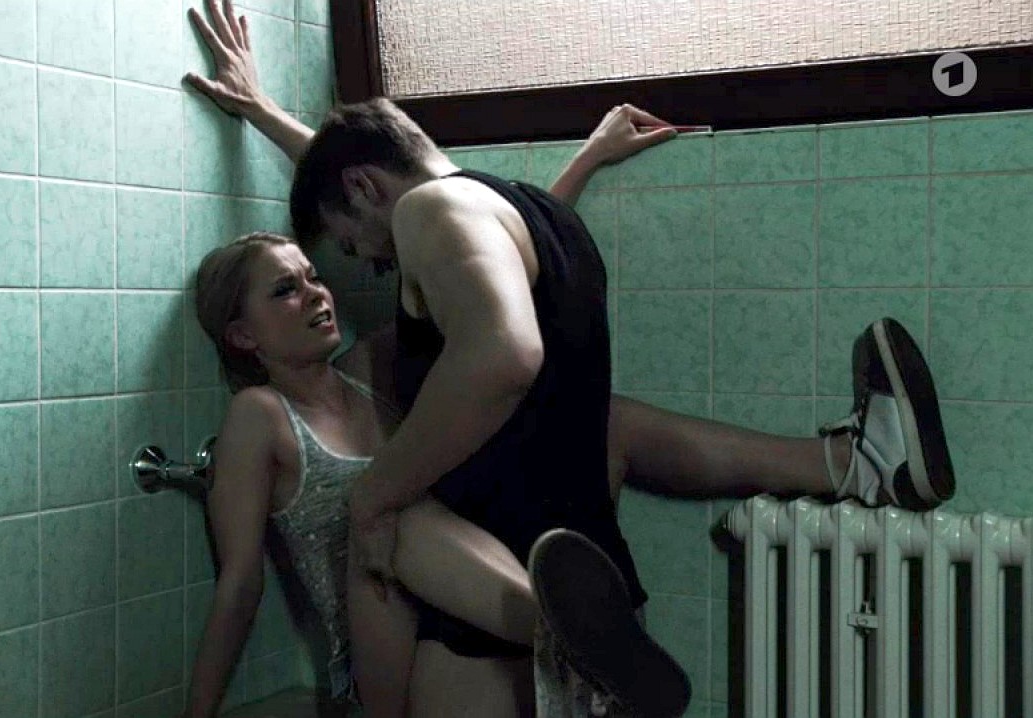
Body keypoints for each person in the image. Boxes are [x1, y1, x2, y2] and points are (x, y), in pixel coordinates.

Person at [183, 2, 956, 716]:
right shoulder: (535, 217)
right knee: (603, 423)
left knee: (390, 509)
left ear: (364, 187)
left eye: (350, 246)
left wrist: (375, 497)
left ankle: (569, 640)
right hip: (565, 568)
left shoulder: (428, 212)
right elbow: (399, 186)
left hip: (491, 596)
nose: (370, 263)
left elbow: (496, 340)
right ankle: (841, 464)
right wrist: (264, 112)